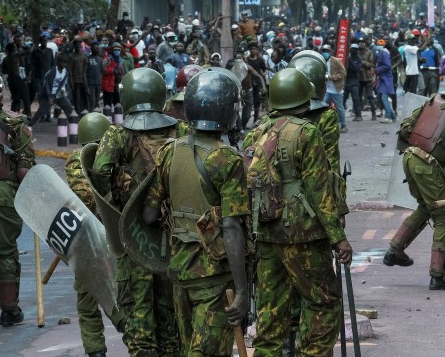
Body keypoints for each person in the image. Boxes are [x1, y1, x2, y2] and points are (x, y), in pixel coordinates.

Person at [245, 68, 352, 356]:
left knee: (270, 312)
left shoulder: (256, 133)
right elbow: (320, 191)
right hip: (303, 235)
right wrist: (338, 238)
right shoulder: (307, 133)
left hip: (266, 234)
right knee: (323, 301)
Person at [143, 69, 249, 356]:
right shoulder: (227, 160)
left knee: (190, 347)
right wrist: (241, 291)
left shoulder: (168, 152)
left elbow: (149, 215)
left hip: (180, 274)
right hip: (215, 279)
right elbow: (232, 228)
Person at [91, 68, 182, 356]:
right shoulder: (180, 130)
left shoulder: (118, 135)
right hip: (173, 233)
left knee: (139, 308)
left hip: (133, 236)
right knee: (170, 310)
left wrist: (116, 205)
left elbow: (99, 170)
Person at [383, 67, 445, 290]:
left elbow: (405, 129)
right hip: (429, 165)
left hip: (410, 158)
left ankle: (395, 250)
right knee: (443, 217)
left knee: (427, 207)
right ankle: (438, 275)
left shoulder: (434, 99)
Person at [0, 71, 35, 330]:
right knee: (6, 250)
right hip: (3, 194)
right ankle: (10, 310)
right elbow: (25, 170)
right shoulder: (14, 123)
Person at [65, 112, 120, 356]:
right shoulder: (118, 156)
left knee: (87, 301)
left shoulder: (76, 161)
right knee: (121, 294)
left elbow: (82, 199)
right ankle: (133, 334)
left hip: (86, 240)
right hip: (116, 237)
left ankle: (95, 351)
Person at [28, 55, 75, 126]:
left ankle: (74, 126)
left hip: (58, 95)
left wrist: (62, 90)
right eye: (62, 62)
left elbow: (63, 83)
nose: (64, 65)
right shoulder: (52, 72)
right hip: (48, 95)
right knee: (41, 111)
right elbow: (47, 85)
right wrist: (49, 97)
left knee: (69, 108)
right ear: (58, 62)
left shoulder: (65, 72)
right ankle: (29, 125)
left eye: (65, 63)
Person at [320, 44, 348, 133]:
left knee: (340, 108)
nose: (325, 53)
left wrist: (332, 77)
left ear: (330, 52)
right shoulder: (321, 61)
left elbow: (343, 73)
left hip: (336, 89)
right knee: (322, 107)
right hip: (326, 89)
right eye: (324, 51)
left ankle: (343, 125)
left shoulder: (336, 61)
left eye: (327, 51)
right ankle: (323, 125)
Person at [375, 39, 397, 123]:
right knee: (384, 97)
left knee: (384, 98)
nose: (378, 46)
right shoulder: (384, 53)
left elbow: (387, 66)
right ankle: (393, 116)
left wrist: (377, 70)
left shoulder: (384, 53)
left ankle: (388, 117)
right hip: (384, 78)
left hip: (386, 78)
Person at [345, 43, 364, 121]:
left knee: (356, 99)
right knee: (343, 99)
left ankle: (358, 115)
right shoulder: (347, 58)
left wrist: (351, 61)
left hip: (354, 81)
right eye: (352, 49)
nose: (353, 51)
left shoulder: (358, 60)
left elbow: (356, 69)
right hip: (346, 81)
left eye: (355, 49)